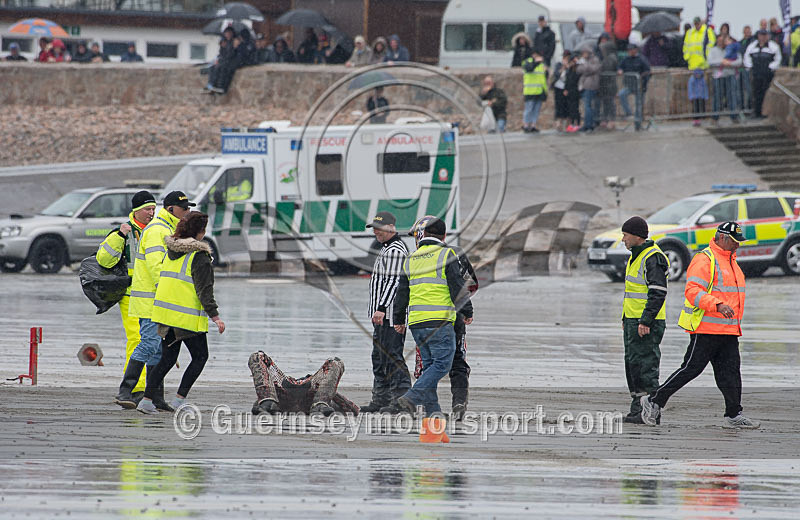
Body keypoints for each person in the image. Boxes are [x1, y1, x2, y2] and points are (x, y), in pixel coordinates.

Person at [640, 222, 760, 430]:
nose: (738, 245)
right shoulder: (705, 259)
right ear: (722, 238)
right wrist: (717, 305)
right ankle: (654, 401)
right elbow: (693, 291)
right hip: (706, 329)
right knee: (691, 369)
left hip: (729, 330)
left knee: (731, 372)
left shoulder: (732, 262)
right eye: (734, 241)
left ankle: (734, 414)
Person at [137, 212, 224, 414]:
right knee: (200, 356)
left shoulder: (172, 251)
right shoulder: (199, 256)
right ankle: (179, 400)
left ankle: (147, 401)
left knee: (167, 359)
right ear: (199, 231)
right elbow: (205, 290)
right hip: (185, 318)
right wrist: (215, 316)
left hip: (166, 315)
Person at [115, 191, 194, 410]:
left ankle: (154, 397)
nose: (187, 212)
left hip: (160, 301)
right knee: (149, 344)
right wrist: (172, 290)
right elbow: (156, 266)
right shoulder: (158, 230)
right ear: (170, 210)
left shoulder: (167, 229)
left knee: (159, 350)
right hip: (151, 300)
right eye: (184, 208)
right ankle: (126, 390)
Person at [388, 216, 473, 416]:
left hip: (417, 323)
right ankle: (411, 397)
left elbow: (402, 292)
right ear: (444, 236)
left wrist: (399, 319)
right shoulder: (447, 254)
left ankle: (433, 413)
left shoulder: (412, 258)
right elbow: (458, 287)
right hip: (439, 322)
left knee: (429, 368)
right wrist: (467, 311)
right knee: (443, 364)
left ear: (423, 234)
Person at [99, 191, 156, 406]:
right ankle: (136, 388)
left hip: (153, 295)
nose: (151, 213)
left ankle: (149, 389)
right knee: (138, 339)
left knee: (152, 342)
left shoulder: (156, 230)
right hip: (131, 295)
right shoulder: (123, 231)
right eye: (147, 209)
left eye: (153, 209)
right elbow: (103, 259)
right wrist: (119, 236)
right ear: (135, 211)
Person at [412, 235, 478, 421]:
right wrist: (466, 308)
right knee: (457, 360)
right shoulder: (455, 253)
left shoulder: (418, 257)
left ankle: (426, 405)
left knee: (427, 363)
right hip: (452, 315)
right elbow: (472, 284)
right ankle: (458, 403)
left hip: (428, 317)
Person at [617, 216, 668, 424]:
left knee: (646, 367)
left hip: (646, 323)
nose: (623, 240)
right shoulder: (636, 256)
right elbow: (632, 292)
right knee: (633, 366)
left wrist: (645, 321)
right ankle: (637, 409)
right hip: (633, 321)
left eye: (625, 235)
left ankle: (651, 412)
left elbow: (658, 292)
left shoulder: (652, 257)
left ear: (637, 236)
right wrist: (625, 318)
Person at [360, 212, 411, 413]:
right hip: (381, 317)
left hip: (390, 315)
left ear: (391, 227)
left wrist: (381, 308)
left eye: (379, 228)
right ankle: (381, 399)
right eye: (374, 228)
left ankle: (402, 401)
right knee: (379, 358)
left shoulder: (396, 250)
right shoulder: (386, 249)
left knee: (392, 357)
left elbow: (394, 281)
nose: (376, 232)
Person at [249, 352, 359, 416]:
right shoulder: (324, 391)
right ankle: (267, 401)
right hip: (283, 396)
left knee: (336, 361)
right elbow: (352, 408)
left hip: (309, 398)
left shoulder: (323, 393)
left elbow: (352, 408)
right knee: (257, 356)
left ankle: (267, 401)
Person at [684, 17, 715, 126]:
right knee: (694, 94)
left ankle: (702, 115)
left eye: (698, 23)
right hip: (693, 66)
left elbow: (711, 44)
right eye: (695, 23)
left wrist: (706, 59)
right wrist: (687, 58)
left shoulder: (707, 31)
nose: (697, 25)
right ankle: (696, 117)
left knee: (703, 93)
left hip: (703, 66)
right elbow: (686, 47)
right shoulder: (690, 33)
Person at [744, 29, 781, 119]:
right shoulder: (752, 46)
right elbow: (746, 58)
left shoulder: (773, 46)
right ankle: (757, 112)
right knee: (756, 93)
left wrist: (770, 67)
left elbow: (778, 59)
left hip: (767, 74)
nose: (763, 37)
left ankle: (765, 113)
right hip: (756, 74)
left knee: (766, 94)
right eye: (761, 35)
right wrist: (750, 67)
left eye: (765, 35)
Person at [708, 35, 742, 123]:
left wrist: (729, 63)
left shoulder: (732, 49)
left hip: (730, 75)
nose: (721, 43)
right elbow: (710, 62)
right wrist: (721, 62)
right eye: (719, 41)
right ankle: (715, 117)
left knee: (732, 96)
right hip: (718, 76)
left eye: (722, 41)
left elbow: (739, 61)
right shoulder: (713, 50)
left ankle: (734, 116)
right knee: (717, 97)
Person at [618, 43, 651, 131]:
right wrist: (620, 70)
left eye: (631, 50)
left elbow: (648, 71)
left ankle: (638, 124)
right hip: (630, 85)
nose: (630, 52)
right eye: (628, 50)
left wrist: (642, 79)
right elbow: (620, 66)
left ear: (635, 50)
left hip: (640, 86)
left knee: (639, 106)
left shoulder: (642, 59)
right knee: (621, 94)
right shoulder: (626, 59)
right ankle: (629, 113)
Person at [522, 49, 548, 133]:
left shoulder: (542, 64)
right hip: (530, 91)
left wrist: (546, 71)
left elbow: (544, 77)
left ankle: (533, 125)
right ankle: (526, 125)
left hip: (539, 91)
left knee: (536, 110)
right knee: (529, 109)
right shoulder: (527, 62)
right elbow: (529, 68)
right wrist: (537, 63)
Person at [577, 48, 601, 131]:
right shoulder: (583, 60)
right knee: (586, 106)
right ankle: (587, 124)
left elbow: (593, 69)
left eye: (585, 52)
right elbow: (579, 70)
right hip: (584, 85)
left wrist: (585, 65)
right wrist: (585, 67)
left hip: (592, 85)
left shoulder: (595, 59)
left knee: (588, 106)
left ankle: (589, 124)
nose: (583, 54)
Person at [598, 42, 618, 130]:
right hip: (605, 84)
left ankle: (611, 120)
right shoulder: (606, 58)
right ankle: (605, 119)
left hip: (609, 84)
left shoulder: (611, 58)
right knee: (606, 103)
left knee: (610, 103)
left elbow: (607, 69)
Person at [550, 51, 571, 132]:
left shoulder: (571, 66)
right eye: (565, 58)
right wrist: (563, 68)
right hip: (558, 87)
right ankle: (559, 123)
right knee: (559, 106)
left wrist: (568, 67)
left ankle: (568, 124)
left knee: (567, 106)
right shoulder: (558, 64)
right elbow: (556, 74)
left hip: (567, 88)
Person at [564, 53, 581, 132]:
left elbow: (576, 79)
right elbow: (567, 81)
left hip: (575, 90)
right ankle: (572, 123)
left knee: (575, 108)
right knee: (571, 108)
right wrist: (566, 89)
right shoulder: (569, 70)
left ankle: (577, 124)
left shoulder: (577, 69)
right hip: (570, 91)